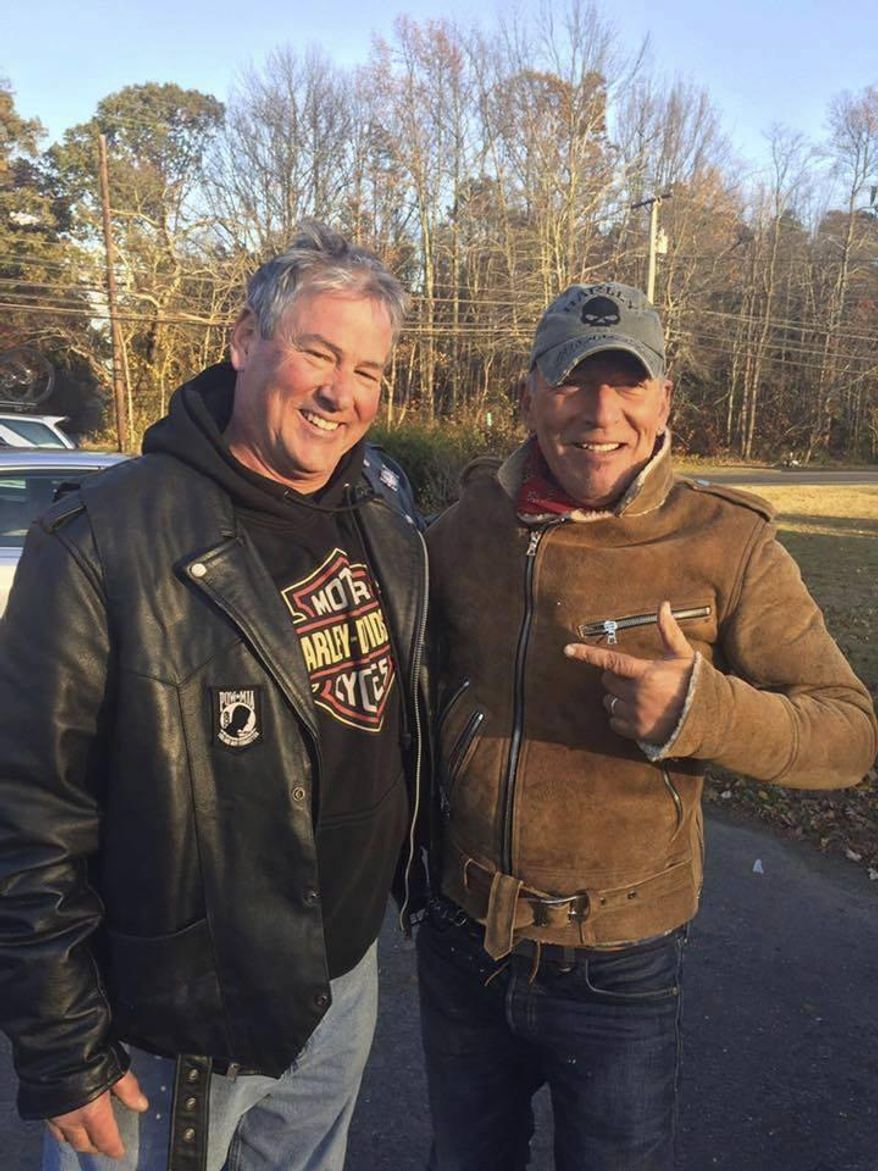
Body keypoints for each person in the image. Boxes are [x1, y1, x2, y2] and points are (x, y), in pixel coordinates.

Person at [419, 281, 878, 1171]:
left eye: (629, 383)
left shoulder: (726, 542)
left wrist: (704, 712)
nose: (600, 413)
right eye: (572, 381)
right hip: (461, 937)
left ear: (666, 398)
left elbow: (850, 733)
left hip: (618, 962)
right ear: (527, 393)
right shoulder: (467, 524)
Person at [0, 221, 428, 1171]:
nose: (340, 392)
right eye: (317, 351)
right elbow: (27, 812)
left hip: (342, 979)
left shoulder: (381, 514)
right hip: (170, 1012)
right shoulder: (104, 539)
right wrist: (64, 1046)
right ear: (243, 342)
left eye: (368, 370)